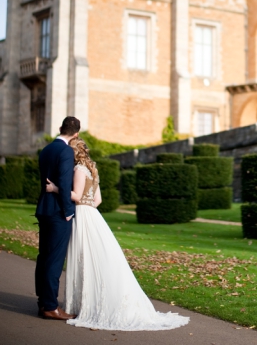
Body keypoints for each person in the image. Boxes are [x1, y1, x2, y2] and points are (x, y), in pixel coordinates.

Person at [44, 138, 189, 331]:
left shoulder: (78, 170)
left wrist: (55, 189)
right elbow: (98, 200)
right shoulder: (93, 170)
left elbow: (77, 196)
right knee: (92, 258)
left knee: (85, 259)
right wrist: (89, 210)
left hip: (83, 215)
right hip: (92, 214)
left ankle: (85, 304)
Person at [34, 116, 80, 320]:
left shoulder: (46, 149)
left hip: (44, 209)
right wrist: (68, 211)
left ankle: (43, 301)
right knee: (54, 260)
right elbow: (63, 182)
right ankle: (51, 306)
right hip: (58, 212)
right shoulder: (66, 151)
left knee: (43, 257)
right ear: (76, 134)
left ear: (60, 128)